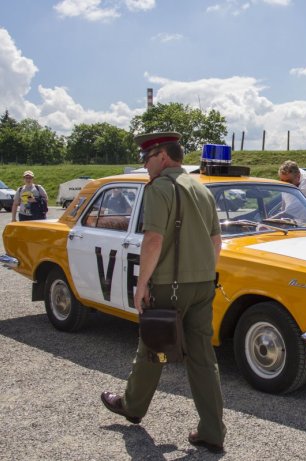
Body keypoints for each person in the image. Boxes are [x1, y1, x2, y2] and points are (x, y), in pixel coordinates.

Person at [100, 131, 226, 454]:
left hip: (170, 285)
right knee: (203, 357)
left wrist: (142, 284)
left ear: (163, 157)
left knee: (153, 347)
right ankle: (212, 430)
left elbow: (153, 239)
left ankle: (131, 404)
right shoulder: (201, 188)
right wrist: (202, 272)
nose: (145, 165)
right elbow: (216, 241)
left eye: (147, 158)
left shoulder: (160, 188)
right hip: (202, 285)